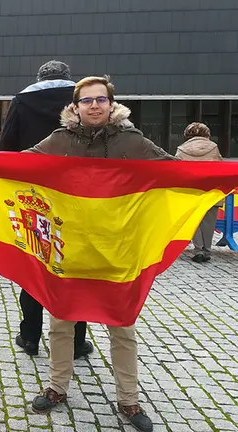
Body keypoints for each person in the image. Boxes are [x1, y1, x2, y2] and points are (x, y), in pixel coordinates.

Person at [28, 76, 175, 432]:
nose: (95, 105)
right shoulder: (60, 140)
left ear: (112, 104)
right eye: (87, 100)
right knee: (61, 322)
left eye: (101, 99)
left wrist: (216, 171)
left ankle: (128, 400)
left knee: (122, 327)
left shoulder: (131, 141)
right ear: (75, 106)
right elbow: (21, 164)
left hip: (117, 250)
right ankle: (57, 387)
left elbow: (173, 169)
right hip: (71, 248)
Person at [0, 60, 92, 358]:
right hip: (78, 197)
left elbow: (6, 148)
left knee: (35, 264)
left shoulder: (22, 101)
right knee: (74, 267)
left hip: (34, 197)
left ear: (39, 78)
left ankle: (30, 336)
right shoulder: (82, 101)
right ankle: (76, 342)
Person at [175, 122, 223, 262]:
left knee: (193, 220)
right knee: (208, 221)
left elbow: (178, 170)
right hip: (211, 190)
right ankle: (207, 250)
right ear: (206, 134)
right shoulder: (213, 147)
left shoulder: (181, 149)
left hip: (191, 191)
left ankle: (198, 249)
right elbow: (219, 167)